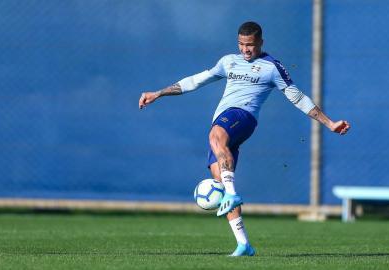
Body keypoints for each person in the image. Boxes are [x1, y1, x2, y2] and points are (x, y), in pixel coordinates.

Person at [138, 21, 350, 256]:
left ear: (261, 42)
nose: (245, 49)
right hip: (224, 122)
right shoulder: (228, 61)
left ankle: (231, 193)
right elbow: (196, 80)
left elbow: (298, 98)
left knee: (215, 136)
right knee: (221, 181)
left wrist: (330, 123)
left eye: (250, 45)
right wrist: (158, 93)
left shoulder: (272, 67)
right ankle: (243, 244)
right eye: (241, 44)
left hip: (244, 116)